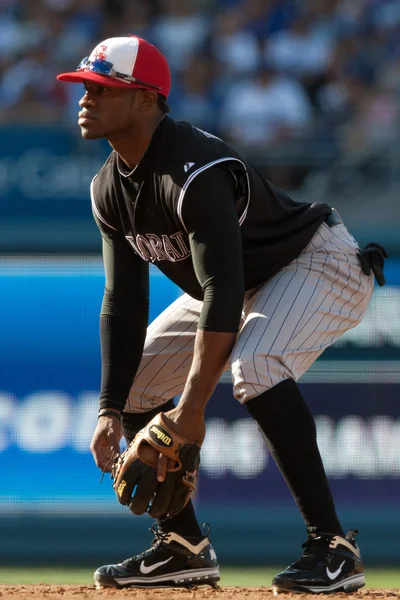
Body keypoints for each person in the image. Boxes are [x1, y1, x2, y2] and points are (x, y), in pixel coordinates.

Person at [57, 36, 385, 593]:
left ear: (145, 100)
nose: (85, 98)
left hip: (315, 261)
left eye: (102, 87)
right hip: (244, 282)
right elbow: (124, 301)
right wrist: (110, 408)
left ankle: (333, 549)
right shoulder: (108, 187)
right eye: (85, 87)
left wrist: (190, 409)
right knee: (135, 385)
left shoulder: (193, 169)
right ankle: (182, 546)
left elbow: (223, 289)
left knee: (254, 368)